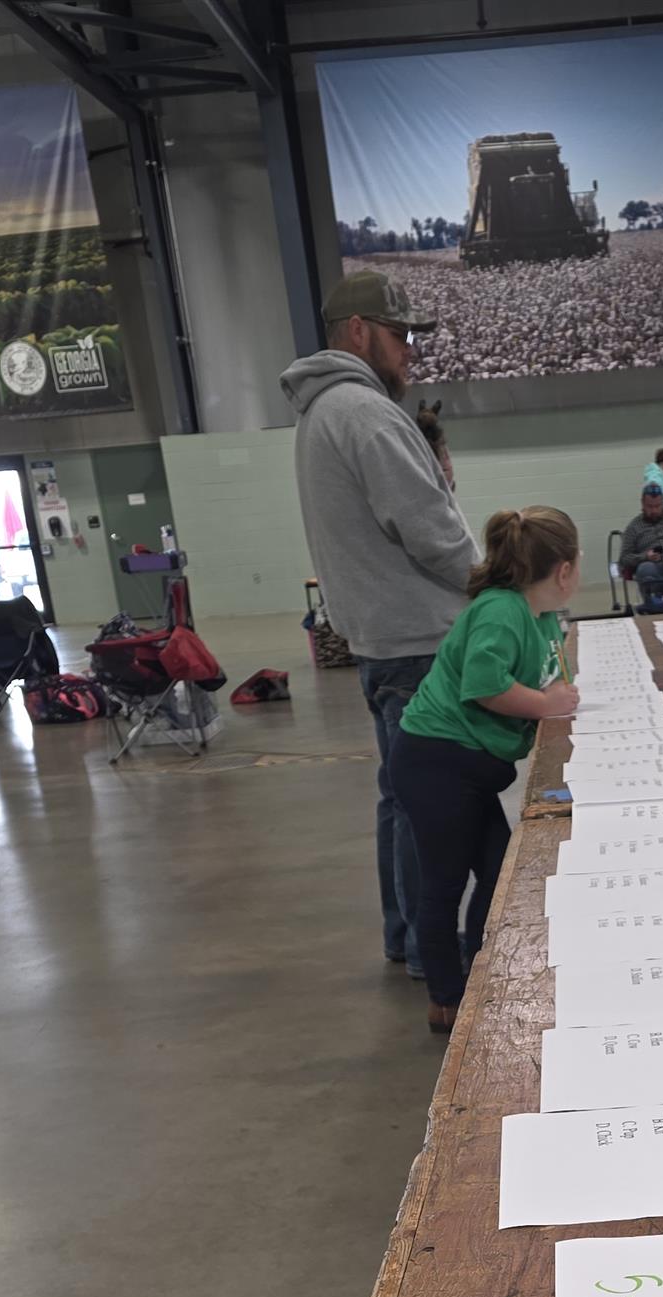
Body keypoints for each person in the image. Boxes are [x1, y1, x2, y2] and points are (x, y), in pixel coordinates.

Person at [282, 272, 476, 979]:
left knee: (401, 796)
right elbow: (429, 530)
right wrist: (497, 586)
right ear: (359, 331)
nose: (410, 350)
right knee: (429, 804)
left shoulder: (322, 412)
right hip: (416, 645)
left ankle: (406, 935)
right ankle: (433, 952)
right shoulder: (364, 413)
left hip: (381, 642)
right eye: (400, 335)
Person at [392, 508, 580, 1037]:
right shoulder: (501, 610)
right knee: (444, 883)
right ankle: (446, 1001)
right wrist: (545, 705)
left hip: (470, 769)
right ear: (564, 570)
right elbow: (484, 684)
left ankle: (477, 975)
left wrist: (555, 698)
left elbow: (548, 677)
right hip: (437, 761)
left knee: (500, 876)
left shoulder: (542, 616)